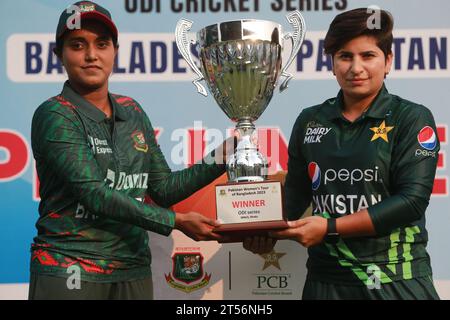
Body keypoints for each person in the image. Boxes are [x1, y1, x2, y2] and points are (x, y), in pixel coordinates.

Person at [29, 1, 233, 300]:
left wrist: (221, 157)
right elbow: (95, 195)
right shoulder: (55, 113)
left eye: (102, 44)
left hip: (133, 268)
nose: (91, 55)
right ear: (58, 54)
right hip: (70, 267)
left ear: (114, 51)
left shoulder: (132, 110)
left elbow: (162, 189)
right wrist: (175, 222)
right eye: (77, 45)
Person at [245, 8, 441, 300]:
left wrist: (330, 228)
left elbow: (411, 201)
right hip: (326, 281)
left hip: (396, 278)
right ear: (333, 63)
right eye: (345, 56)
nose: (355, 67)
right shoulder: (310, 120)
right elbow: (296, 197)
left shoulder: (411, 117)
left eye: (368, 56)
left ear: (388, 62)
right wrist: (262, 231)